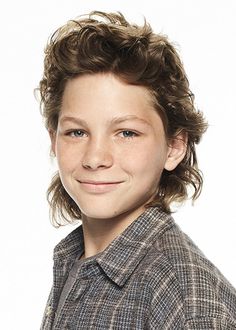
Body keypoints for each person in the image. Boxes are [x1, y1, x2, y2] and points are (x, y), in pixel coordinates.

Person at [38, 10, 236, 329]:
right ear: (54, 140)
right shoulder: (73, 261)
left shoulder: (188, 304)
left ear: (174, 147)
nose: (95, 157)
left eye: (127, 133)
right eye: (77, 132)